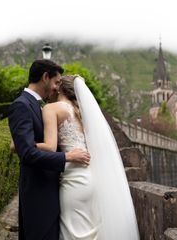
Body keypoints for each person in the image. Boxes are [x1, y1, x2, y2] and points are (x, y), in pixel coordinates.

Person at [36, 75, 140, 240]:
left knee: (72, 233)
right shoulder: (81, 113)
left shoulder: (52, 108)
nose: (53, 88)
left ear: (61, 87)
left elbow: (49, 147)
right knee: (88, 232)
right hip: (90, 178)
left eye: (56, 84)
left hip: (73, 180)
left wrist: (23, 144)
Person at [8, 60, 90, 240]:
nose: (56, 88)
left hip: (56, 189)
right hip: (39, 195)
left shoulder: (42, 107)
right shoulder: (21, 105)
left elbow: (33, 144)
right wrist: (67, 156)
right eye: (56, 82)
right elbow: (28, 154)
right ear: (45, 77)